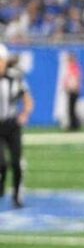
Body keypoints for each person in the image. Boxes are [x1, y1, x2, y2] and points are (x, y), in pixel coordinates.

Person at [0, 44, 34, 208]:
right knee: (1, 163)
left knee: (17, 162)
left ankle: (17, 196)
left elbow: (28, 99)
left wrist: (25, 114)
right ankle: (1, 185)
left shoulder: (15, 77)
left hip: (12, 124)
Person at [62, 51, 82, 131]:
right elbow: (68, 79)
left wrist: (75, 88)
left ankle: (74, 125)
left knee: (72, 109)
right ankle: (73, 124)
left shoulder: (74, 67)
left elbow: (75, 79)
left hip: (73, 90)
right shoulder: (70, 67)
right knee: (71, 109)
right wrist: (66, 87)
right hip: (71, 90)